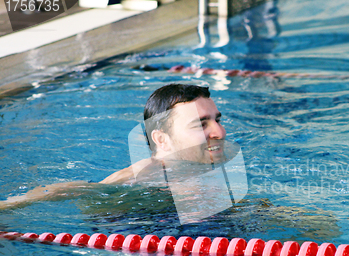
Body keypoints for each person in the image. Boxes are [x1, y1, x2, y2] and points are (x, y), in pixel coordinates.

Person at [0, 84, 227, 210]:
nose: (219, 132)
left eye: (217, 120)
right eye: (200, 124)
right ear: (161, 139)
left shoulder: (203, 167)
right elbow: (73, 189)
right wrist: (10, 205)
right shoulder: (145, 174)